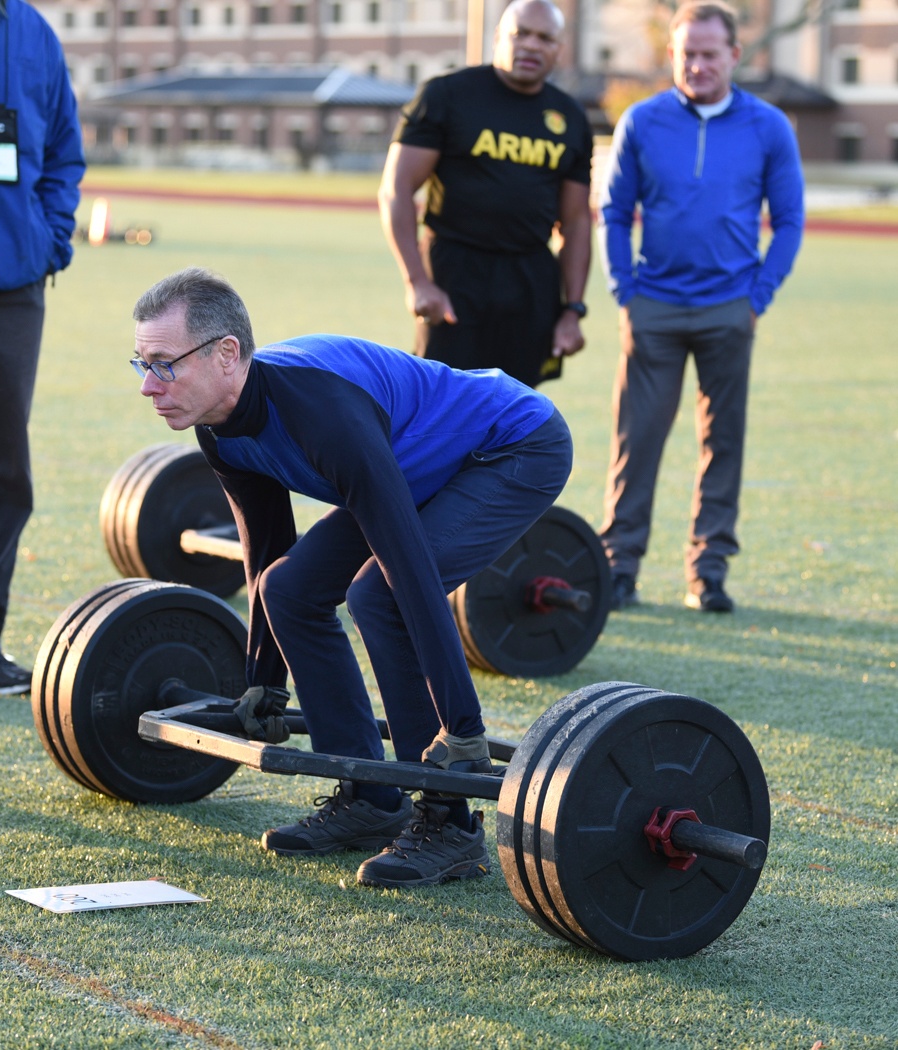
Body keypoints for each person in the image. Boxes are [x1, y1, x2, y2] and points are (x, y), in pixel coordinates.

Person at [131, 266, 573, 888]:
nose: (150, 385)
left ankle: (450, 824)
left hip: (512, 446)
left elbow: (411, 574)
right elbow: (267, 552)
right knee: (288, 586)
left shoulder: (322, 412)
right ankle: (370, 797)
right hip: (417, 467)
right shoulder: (218, 429)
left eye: (163, 364)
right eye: (142, 364)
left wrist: (465, 732)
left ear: (226, 354)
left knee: (380, 593)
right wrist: (263, 684)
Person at [597, 0, 804, 613]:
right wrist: (625, 293)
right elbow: (614, 214)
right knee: (637, 440)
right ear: (672, 55)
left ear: (735, 56)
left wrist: (756, 298)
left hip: (728, 310)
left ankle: (707, 571)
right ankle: (620, 566)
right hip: (653, 308)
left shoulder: (769, 126)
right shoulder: (642, 122)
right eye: (688, 53)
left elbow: (789, 221)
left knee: (724, 441)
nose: (698, 64)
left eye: (710, 53)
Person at [378, 0, 593, 389]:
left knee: (517, 407)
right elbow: (397, 188)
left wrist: (572, 310)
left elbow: (576, 221)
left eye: (545, 38)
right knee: (442, 400)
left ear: (559, 49)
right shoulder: (446, 94)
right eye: (520, 33)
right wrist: (418, 282)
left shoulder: (571, 118)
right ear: (499, 38)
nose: (531, 45)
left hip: (531, 279)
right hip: (455, 271)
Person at [0, 0, 85, 695]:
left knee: (3, 474)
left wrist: (48, 241)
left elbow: (61, 150)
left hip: (12, 286)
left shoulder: (32, 31)